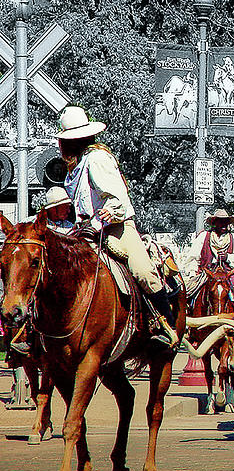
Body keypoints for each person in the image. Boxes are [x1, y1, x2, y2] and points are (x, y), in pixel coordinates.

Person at [55, 105, 177, 349]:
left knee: (143, 271)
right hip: (84, 231)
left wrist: (108, 213)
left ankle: (166, 325)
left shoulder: (98, 159)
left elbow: (118, 200)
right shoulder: (75, 167)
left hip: (116, 228)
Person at [183, 208, 234, 303]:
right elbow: (193, 257)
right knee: (186, 295)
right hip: (206, 274)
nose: (223, 224)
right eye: (220, 221)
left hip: (226, 275)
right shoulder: (203, 237)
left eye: (225, 221)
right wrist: (192, 274)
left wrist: (228, 257)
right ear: (215, 223)